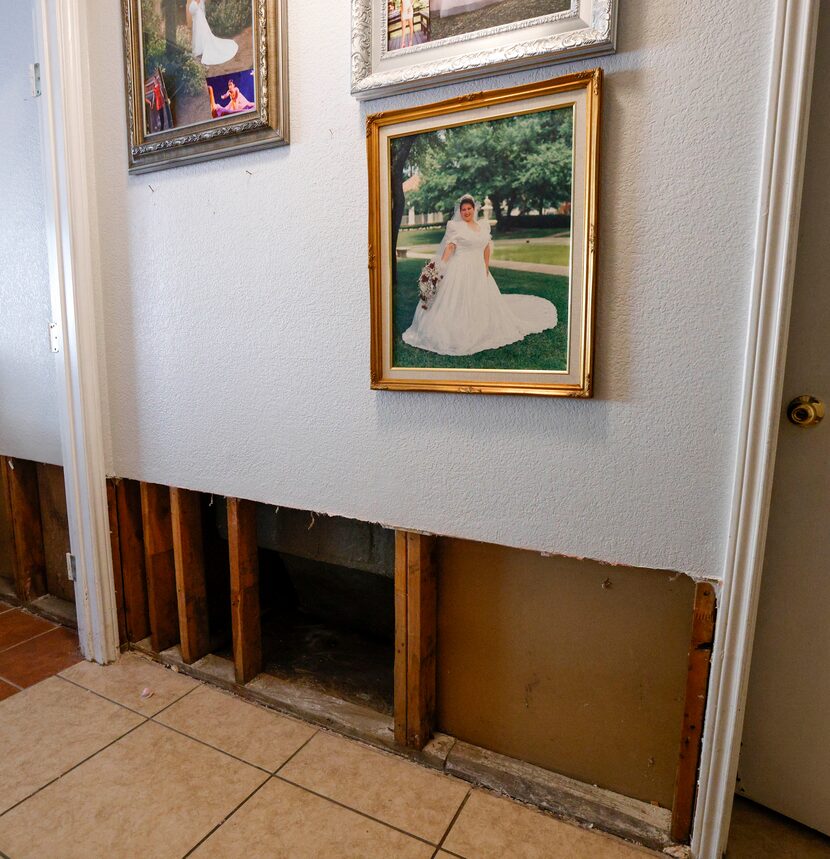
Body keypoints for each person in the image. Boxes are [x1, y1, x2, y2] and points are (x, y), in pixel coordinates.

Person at [402, 195, 557, 356]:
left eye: (469, 209)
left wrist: (486, 266)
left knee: (482, 301)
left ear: (474, 209)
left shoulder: (483, 226)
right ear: (460, 211)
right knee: (457, 302)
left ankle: (482, 327)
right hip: (460, 269)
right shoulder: (455, 226)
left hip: (479, 270)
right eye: (463, 209)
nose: (466, 212)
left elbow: (486, 247)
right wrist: (440, 266)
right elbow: (450, 248)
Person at [187, 0, 239, 67]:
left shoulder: (197, 1)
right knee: (199, 34)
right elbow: (193, 10)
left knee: (202, 34)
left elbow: (194, 8)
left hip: (199, 19)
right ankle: (199, 49)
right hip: (197, 19)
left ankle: (202, 49)